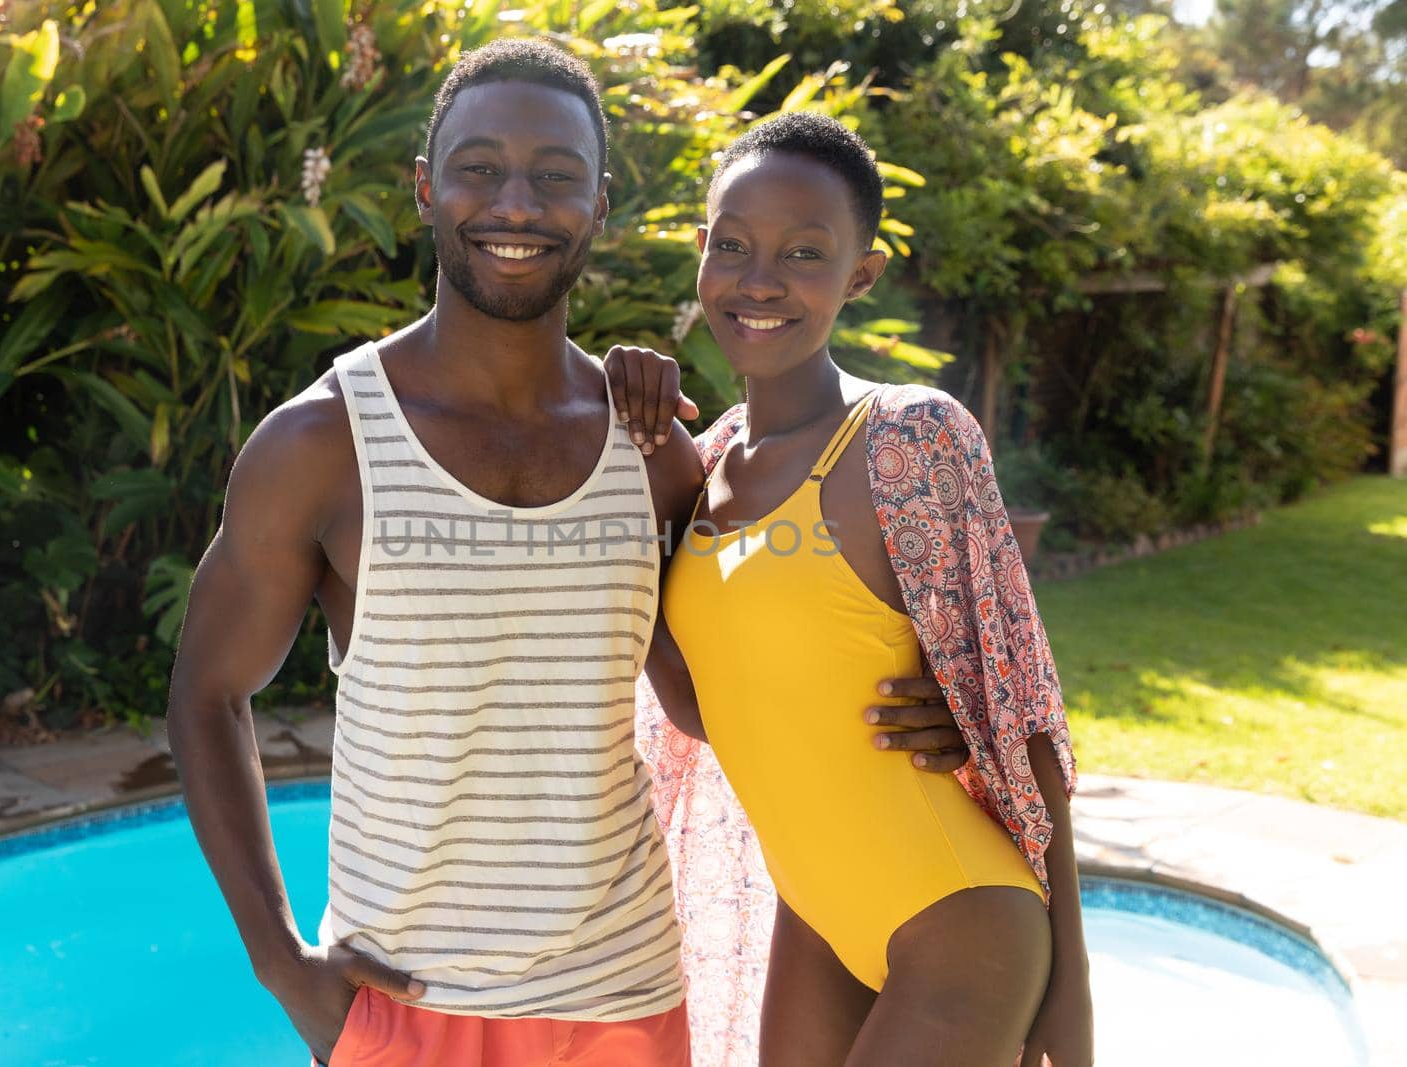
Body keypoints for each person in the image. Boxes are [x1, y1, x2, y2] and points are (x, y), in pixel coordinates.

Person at [164, 40, 970, 1067]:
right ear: (426, 188)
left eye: (554, 176)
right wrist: (280, 958)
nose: (514, 201)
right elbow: (204, 691)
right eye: (478, 167)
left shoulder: (649, 448)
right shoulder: (323, 441)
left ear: (598, 206)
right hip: (406, 998)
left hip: (625, 995)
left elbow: (713, 688)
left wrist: (930, 705)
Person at [617, 113, 1095, 1067]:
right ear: (701, 251)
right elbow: (707, 710)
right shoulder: (702, 463)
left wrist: (1071, 990)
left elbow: (1022, 711)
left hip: (962, 923)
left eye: (804, 253)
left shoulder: (909, 439)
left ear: (861, 274)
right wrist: (629, 417)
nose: (760, 280)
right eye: (734, 245)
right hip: (819, 917)